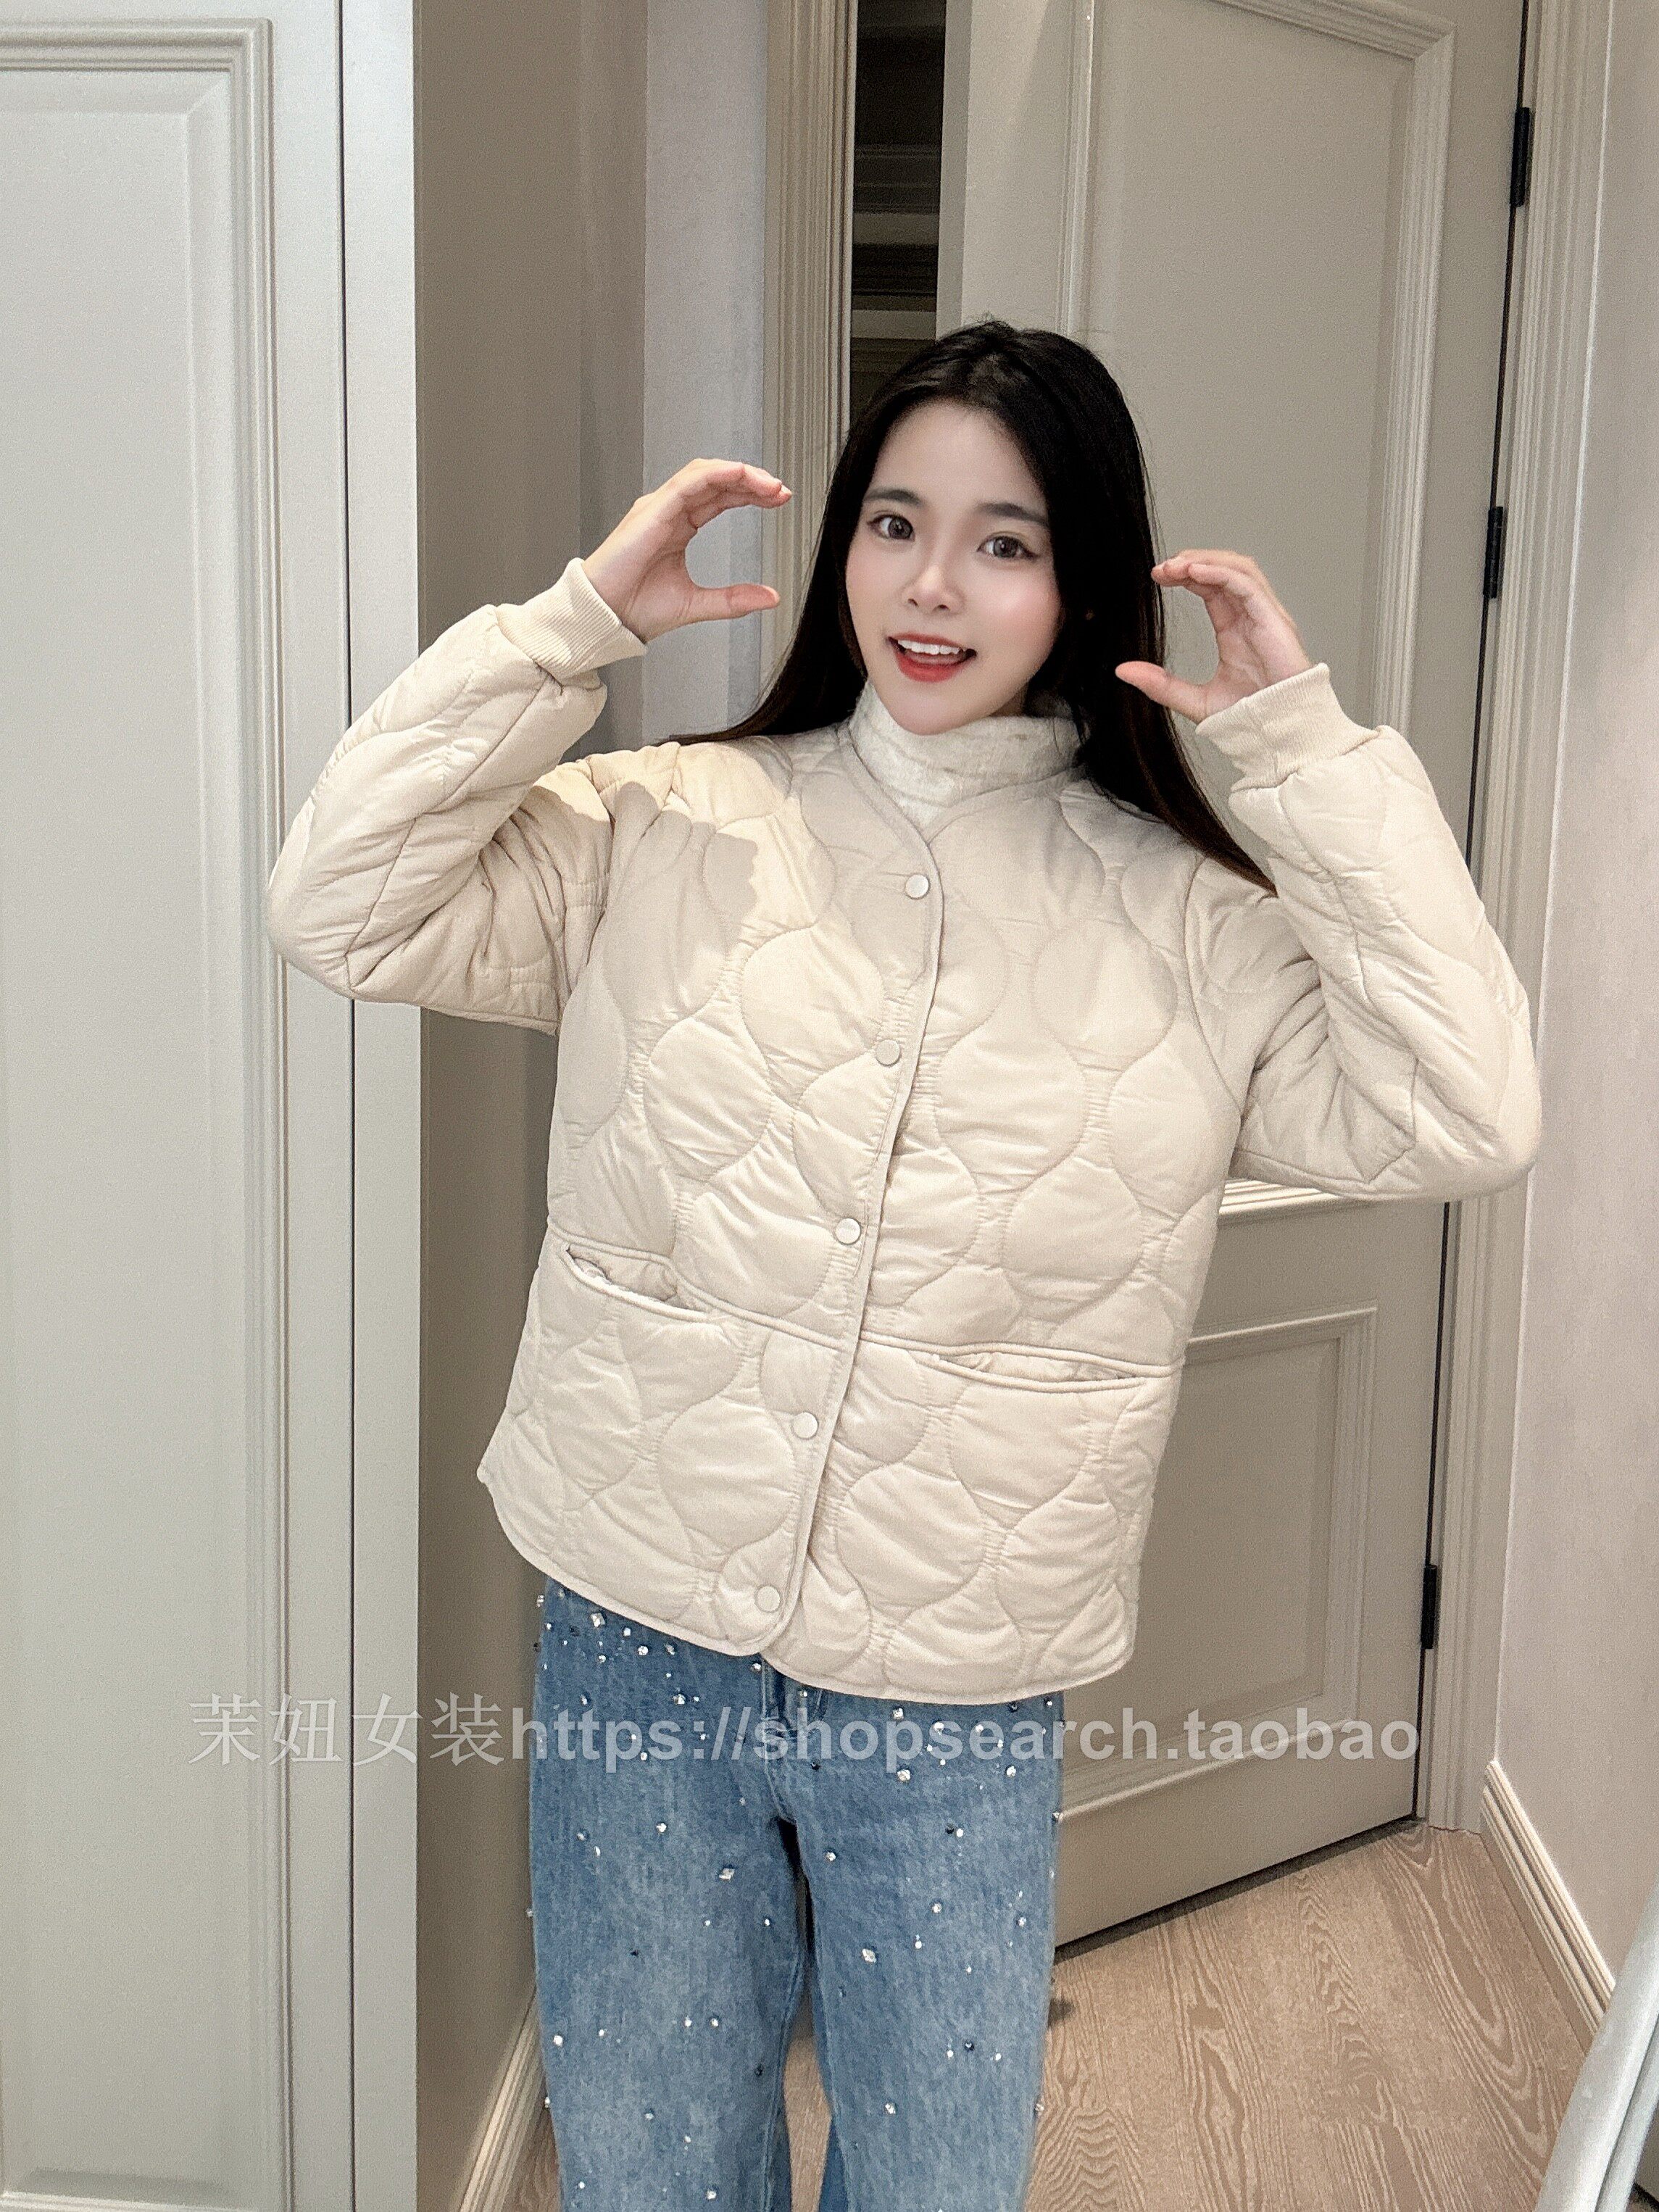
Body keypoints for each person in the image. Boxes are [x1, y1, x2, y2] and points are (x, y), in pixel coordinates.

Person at [265, 319, 1542, 2210]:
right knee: (647, 2160)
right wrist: (566, 632)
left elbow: (1467, 1111)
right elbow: (337, 901)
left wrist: (1307, 759)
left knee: (939, 2172)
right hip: (638, 1624)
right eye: (894, 522)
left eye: (1004, 541)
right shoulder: (666, 825)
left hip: (956, 1673)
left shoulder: (1195, 924)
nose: (933, 584)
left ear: (1081, 580)